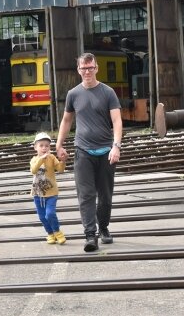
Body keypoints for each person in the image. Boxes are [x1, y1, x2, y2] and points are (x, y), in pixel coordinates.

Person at [56, 52, 123, 253]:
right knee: (85, 195)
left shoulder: (108, 92)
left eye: (90, 68)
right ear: (78, 70)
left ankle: (103, 227)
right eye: (83, 68)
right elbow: (67, 120)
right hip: (82, 151)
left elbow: (117, 121)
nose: (87, 72)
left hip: (106, 152)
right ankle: (89, 235)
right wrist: (59, 144)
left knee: (105, 195)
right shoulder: (73, 94)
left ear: (96, 68)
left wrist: (116, 146)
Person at [30, 132, 66, 244]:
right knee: (42, 217)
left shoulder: (52, 157)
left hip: (51, 192)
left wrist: (63, 161)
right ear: (36, 147)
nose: (44, 148)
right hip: (37, 194)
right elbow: (34, 170)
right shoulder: (34, 159)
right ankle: (50, 234)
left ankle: (57, 232)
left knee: (50, 213)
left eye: (47, 145)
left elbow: (60, 170)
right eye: (41, 145)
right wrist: (42, 158)